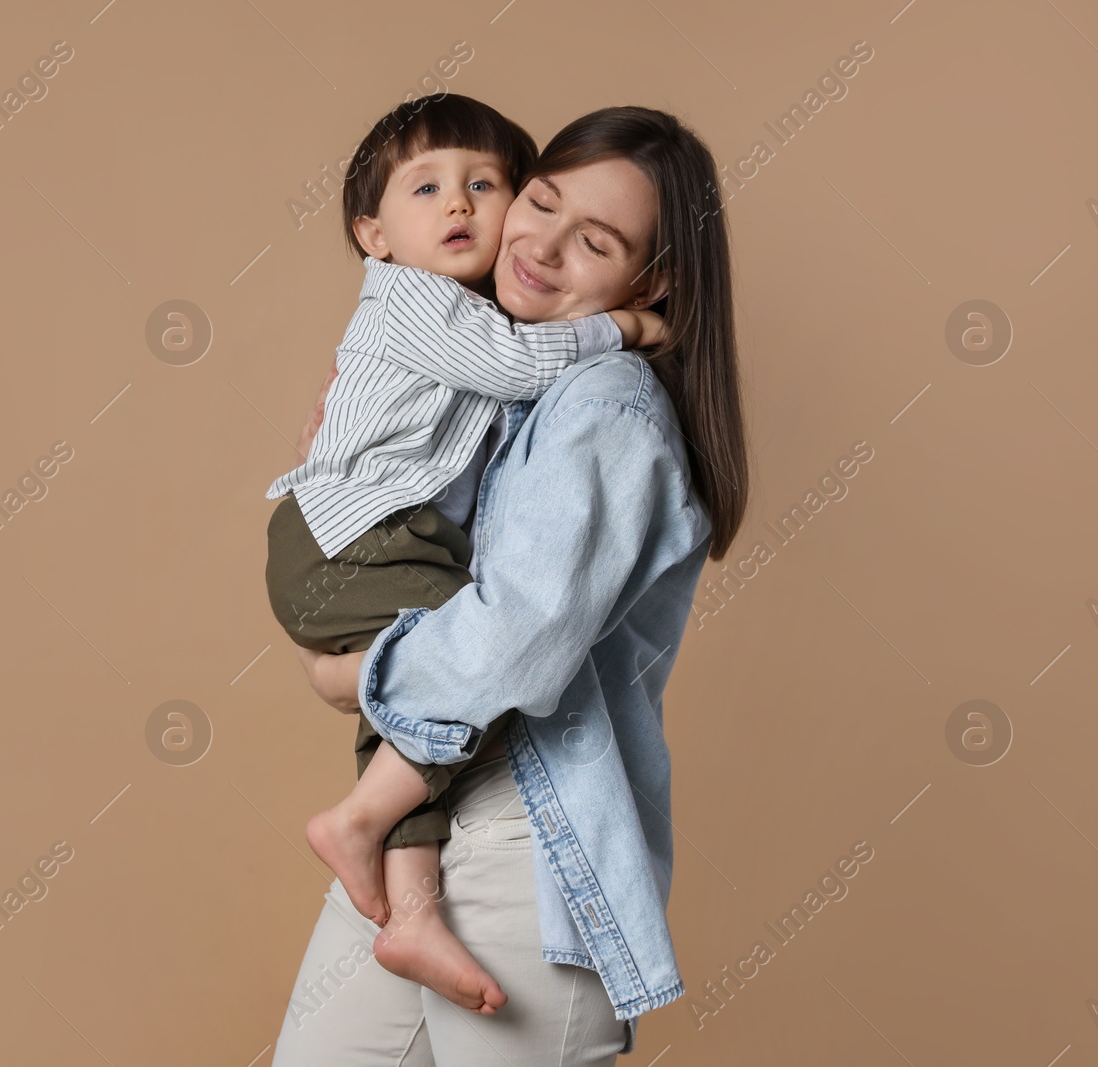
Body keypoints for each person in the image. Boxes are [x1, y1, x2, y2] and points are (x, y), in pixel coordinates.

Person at [271, 105, 750, 1066]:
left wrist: (344, 677)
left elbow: (516, 635)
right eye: (539, 202)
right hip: (434, 809)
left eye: (597, 241)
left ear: (648, 281)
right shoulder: (496, 377)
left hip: (526, 835)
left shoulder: (605, 402)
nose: (540, 245)